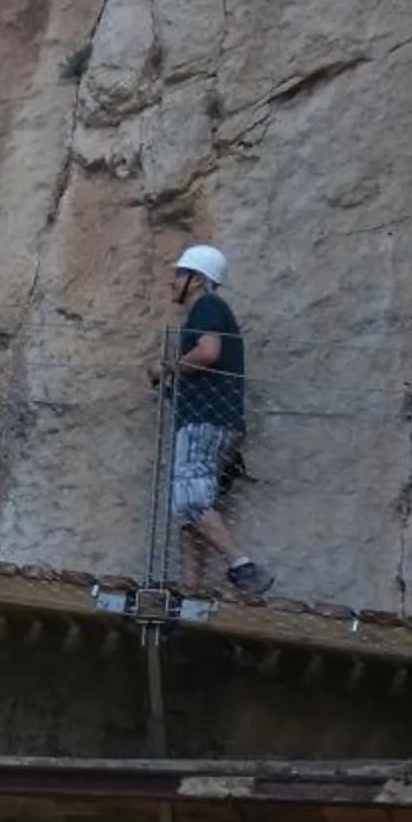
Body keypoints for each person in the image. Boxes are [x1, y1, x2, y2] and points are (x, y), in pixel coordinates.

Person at [152, 243, 274, 596]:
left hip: (204, 420)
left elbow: (208, 352)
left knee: (190, 500)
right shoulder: (212, 310)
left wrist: (168, 368)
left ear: (196, 279)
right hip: (217, 419)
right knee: (192, 501)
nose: (173, 282)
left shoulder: (206, 306)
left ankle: (243, 566)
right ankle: (190, 583)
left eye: (179, 274)